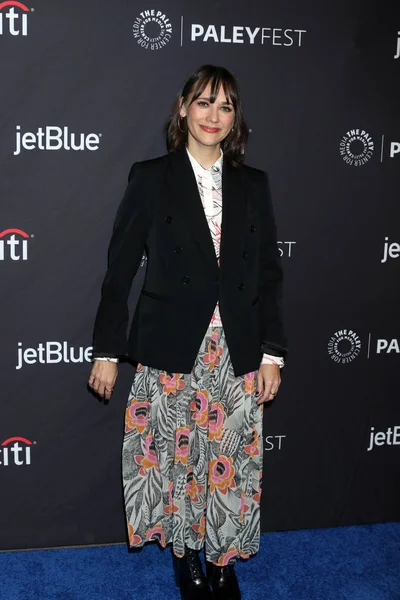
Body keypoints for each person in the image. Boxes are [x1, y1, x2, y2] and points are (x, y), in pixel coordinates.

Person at [88, 64, 287, 600]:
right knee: (179, 457)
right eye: (203, 103)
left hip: (237, 347)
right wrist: (107, 349)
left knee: (231, 461)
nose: (213, 116)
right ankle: (186, 556)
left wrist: (273, 352)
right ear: (183, 108)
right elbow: (121, 268)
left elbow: (269, 273)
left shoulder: (253, 184)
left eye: (225, 107)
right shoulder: (151, 177)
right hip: (173, 345)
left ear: (235, 118)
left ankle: (223, 560)